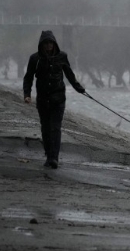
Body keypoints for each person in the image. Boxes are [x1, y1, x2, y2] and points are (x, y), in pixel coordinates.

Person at [23, 30, 86, 169]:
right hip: (42, 99)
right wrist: (27, 94)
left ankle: (54, 158)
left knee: (55, 128)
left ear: (54, 43)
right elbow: (28, 78)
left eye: (50, 43)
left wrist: (79, 88)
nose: (48, 45)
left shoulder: (62, 56)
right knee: (45, 129)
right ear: (41, 44)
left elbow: (69, 74)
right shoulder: (35, 59)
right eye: (46, 43)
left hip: (58, 99)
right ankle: (48, 155)